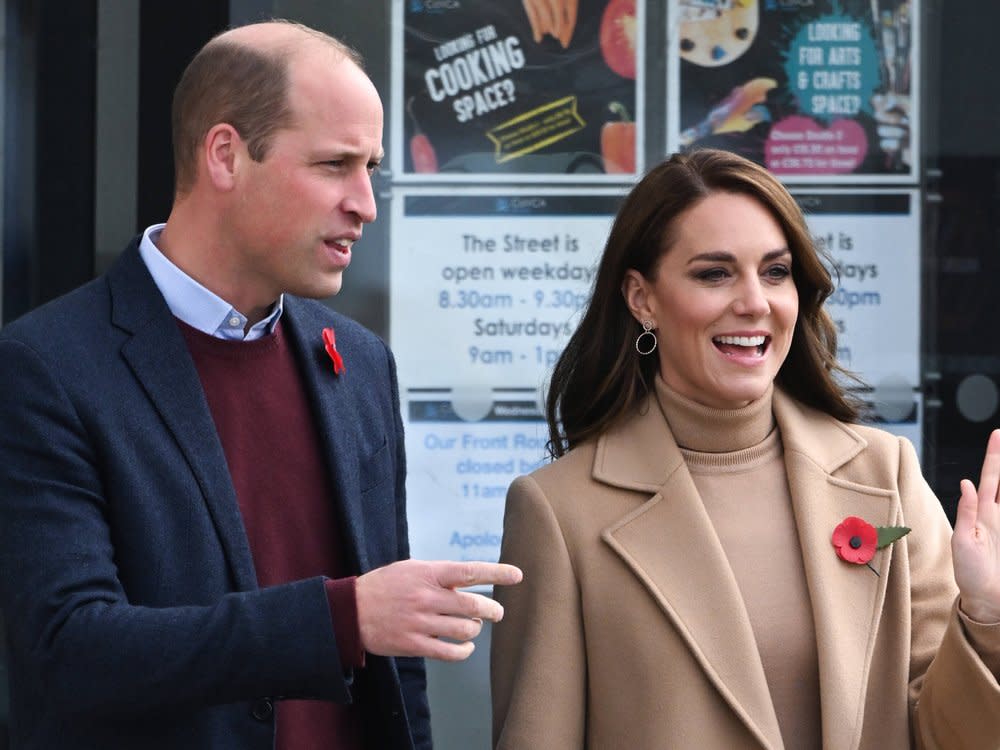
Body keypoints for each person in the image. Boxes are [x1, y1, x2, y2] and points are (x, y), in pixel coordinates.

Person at [0, 20, 521, 750]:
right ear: (225, 156)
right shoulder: (46, 366)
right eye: (336, 165)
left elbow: (393, 677)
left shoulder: (361, 364)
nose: (366, 204)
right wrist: (341, 620)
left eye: (373, 168)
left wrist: (364, 625)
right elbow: (71, 649)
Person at [490, 148, 1000, 748]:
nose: (755, 301)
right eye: (715, 273)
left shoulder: (883, 474)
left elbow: (947, 737)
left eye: (776, 272)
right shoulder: (558, 511)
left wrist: (986, 617)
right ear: (641, 298)